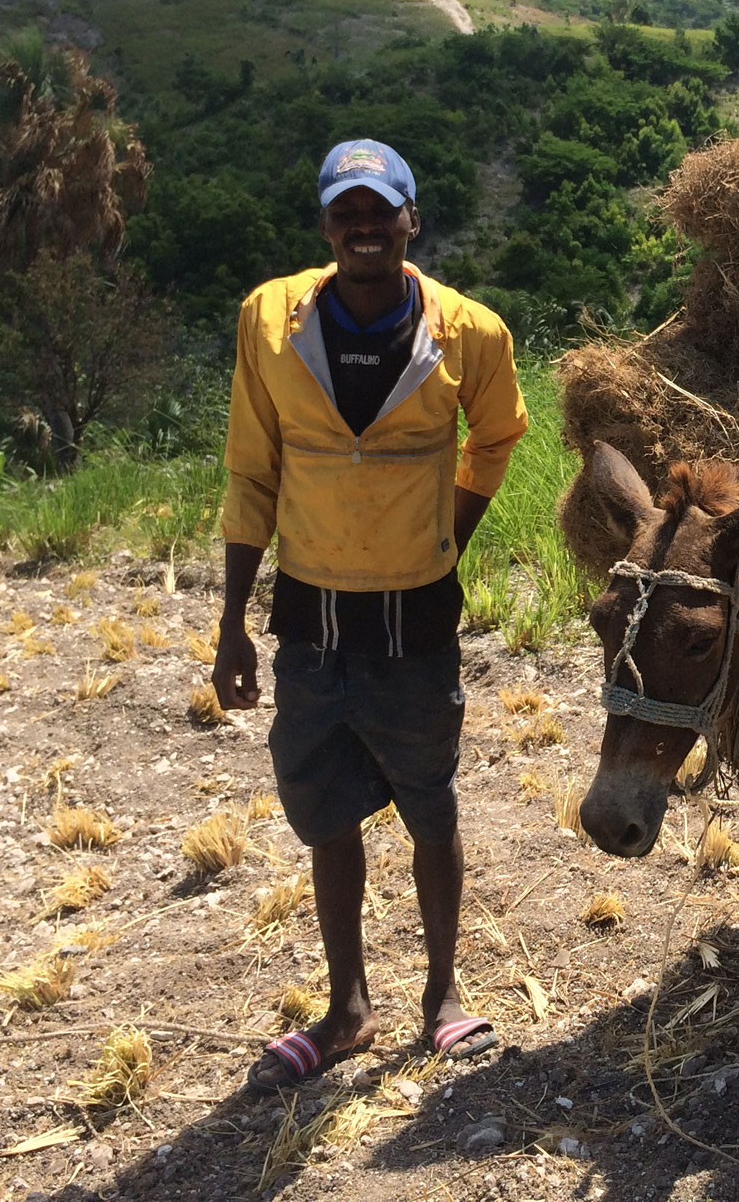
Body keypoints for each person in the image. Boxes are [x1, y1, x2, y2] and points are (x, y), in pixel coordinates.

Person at [211, 138, 528, 1092]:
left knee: (430, 805)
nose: (361, 226)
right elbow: (250, 469)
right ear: (325, 225)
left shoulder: (470, 333)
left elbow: (500, 436)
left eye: (378, 209)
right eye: (343, 211)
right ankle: (347, 1007)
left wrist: (449, 535)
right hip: (310, 616)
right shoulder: (271, 319)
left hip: (414, 620)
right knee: (327, 815)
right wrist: (231, 620)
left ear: (409, 222)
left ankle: (441, 998)